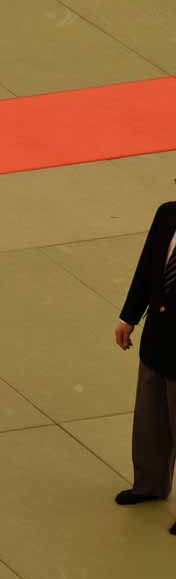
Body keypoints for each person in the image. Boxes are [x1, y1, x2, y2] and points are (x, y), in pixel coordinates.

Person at [114, 199, 176, 536]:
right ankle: (150, 484)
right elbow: (147, 269)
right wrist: (129, 317)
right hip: (157, 340)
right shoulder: (167, 214)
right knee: (150, 418)